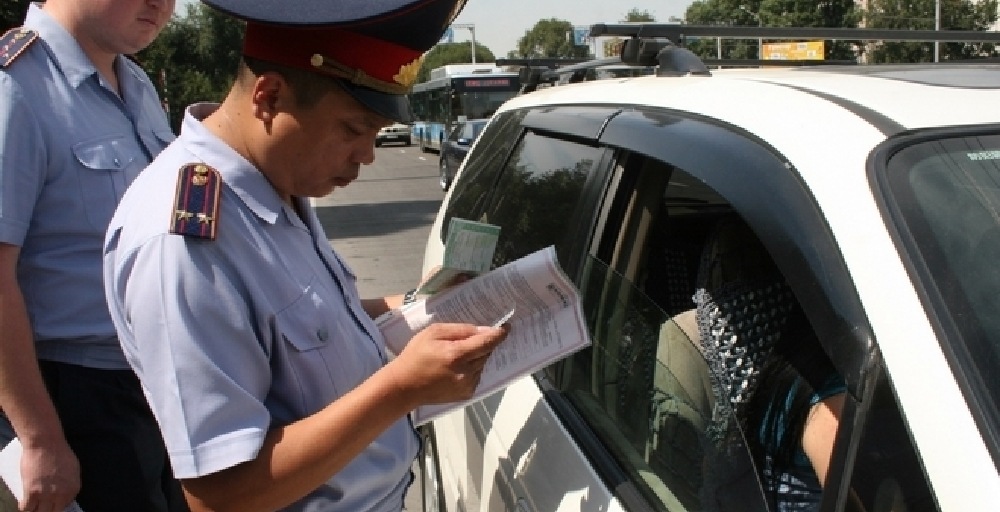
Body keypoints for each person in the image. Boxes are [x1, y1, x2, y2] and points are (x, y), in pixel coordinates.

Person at [102, 0, 509, 511]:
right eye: (353, 130)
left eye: (377, 135)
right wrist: (401, 389)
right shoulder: (186, 243)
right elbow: (220, 496)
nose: (367, 156)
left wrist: (413, 303)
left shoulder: (273, 186)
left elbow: (303, 325)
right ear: (269, 98)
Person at [0, 0, 182, 511]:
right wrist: (39, 437)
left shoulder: (138, 86)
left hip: (155, 387)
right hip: (77, 397)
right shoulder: (15, 86)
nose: (160, 4)